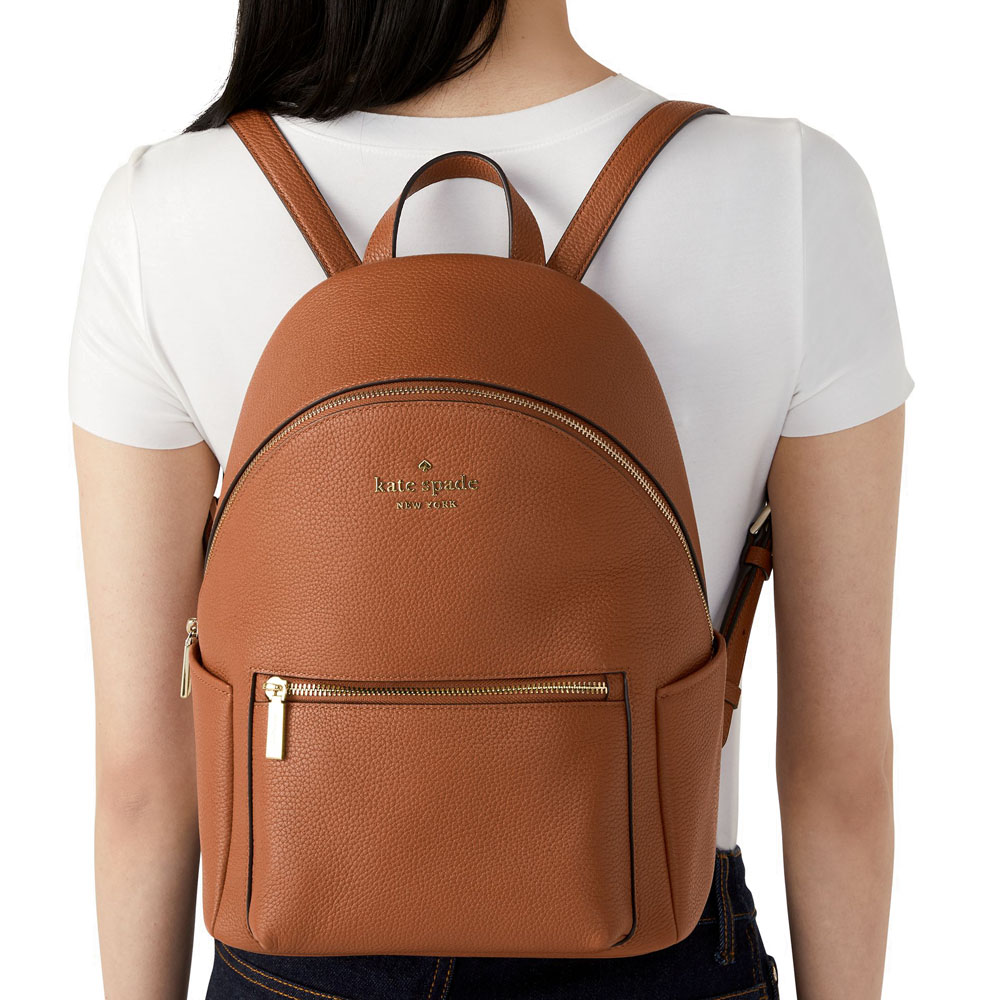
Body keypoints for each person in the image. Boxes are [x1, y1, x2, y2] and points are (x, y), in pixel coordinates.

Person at [69, 1, 912, 997]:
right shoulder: (789, 192)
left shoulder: (163, 208)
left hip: (295, 939)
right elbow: (838, 772)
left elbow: (143, 776)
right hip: (650, 928)